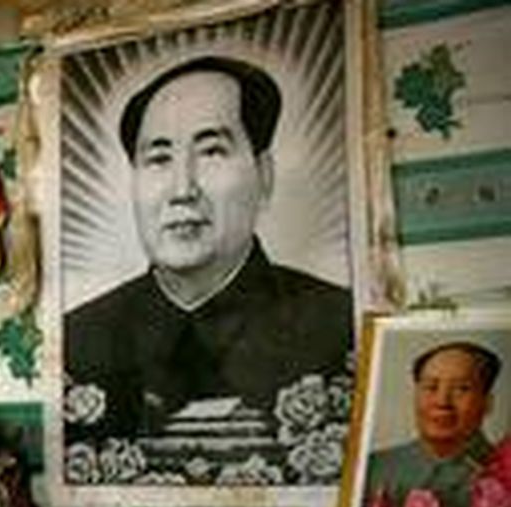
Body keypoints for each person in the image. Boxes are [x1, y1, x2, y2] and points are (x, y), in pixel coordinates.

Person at [64, 56, 352, 441]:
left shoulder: (339, 325)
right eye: (159, 158)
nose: (182, 189)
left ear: (264, 175)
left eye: (212, 152)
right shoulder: (79, 338)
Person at [365, 341, 502, 507]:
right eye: (431, 387)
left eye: (461, 389)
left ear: (488, 403)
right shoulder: (375, 468)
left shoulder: (502, 472)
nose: (442, 402)